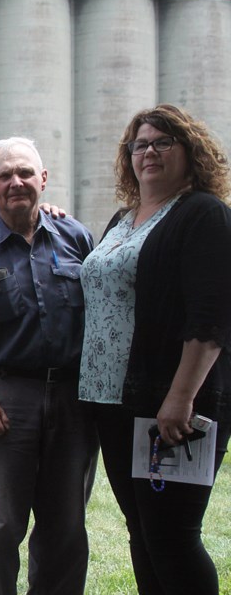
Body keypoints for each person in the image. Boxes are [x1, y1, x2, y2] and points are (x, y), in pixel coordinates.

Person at [78, 104, 231, 594]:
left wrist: (180, 397)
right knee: (141, 530)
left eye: (163, 142)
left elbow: (210, 317)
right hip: (113, 403)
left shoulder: (203, 214)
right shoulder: (122, 219)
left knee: (173, 537)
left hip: (170, 406)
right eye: (140, 144)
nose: (149, 152)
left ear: (191, 153)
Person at [0, 137, 98, 595]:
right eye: (5, 175)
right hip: (5, 401)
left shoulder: (78, 239)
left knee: (65, 529)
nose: (16, 182)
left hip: (72, 402)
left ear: (43, 179)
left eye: (26, 173)